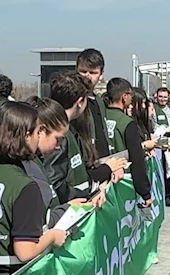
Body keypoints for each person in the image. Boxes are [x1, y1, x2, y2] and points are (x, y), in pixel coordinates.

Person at [0, 101, 70, 275]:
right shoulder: (25, 186)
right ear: (25, 136)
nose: (38, 136)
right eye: (36, 131)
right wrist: (52, 237)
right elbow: (25, 251)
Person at [42, 72, 124, 203]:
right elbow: (55, 183)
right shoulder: (59, 137)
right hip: (67, 213)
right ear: (80, 102)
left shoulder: (72, 130)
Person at [103, 78, 152, 205]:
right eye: (130, 95)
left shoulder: (99, 117)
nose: (131, 99)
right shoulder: (127, 123)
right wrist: (145, 192)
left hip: (102, 179)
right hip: (123, 181)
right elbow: (137, 159)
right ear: (124, 96)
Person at [77, 49, 112, 159]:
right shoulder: (72, 100)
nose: (87, 76)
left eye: (92, 72)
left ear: (101, 75)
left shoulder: (99, 102)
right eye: (83, 71)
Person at [152, 87, 170, 207]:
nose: (163, 99)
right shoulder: (153, 109)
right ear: (156, 97)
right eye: (160, 96)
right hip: (158, 145)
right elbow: (153, 127)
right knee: (159, 172)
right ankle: (157, 196)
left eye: (165, 97)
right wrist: (167, 131)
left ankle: (167, 196)